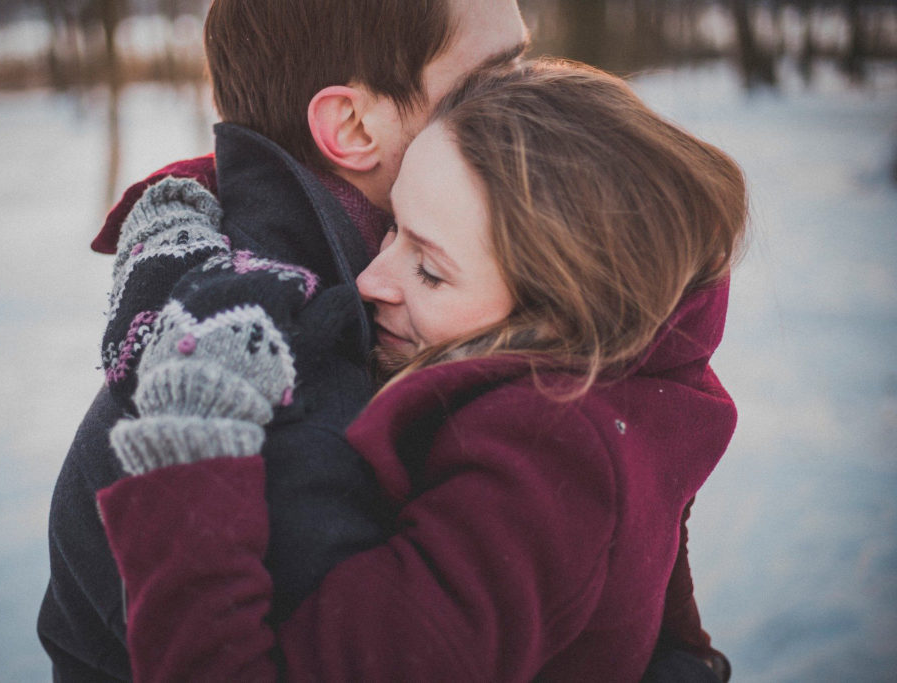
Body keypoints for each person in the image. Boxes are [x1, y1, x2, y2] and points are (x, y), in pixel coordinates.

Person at [94, 59, 747, 681]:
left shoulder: (542, 472)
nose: (372, 280)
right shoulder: (634, 387)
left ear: (559, 314)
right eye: (392, 227)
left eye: (430, 270)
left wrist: (191, 444)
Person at [38, 1, 531, 679]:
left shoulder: (378, 303)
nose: (538, 102)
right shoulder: (288, 397)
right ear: (352, 125)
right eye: (494, 80)